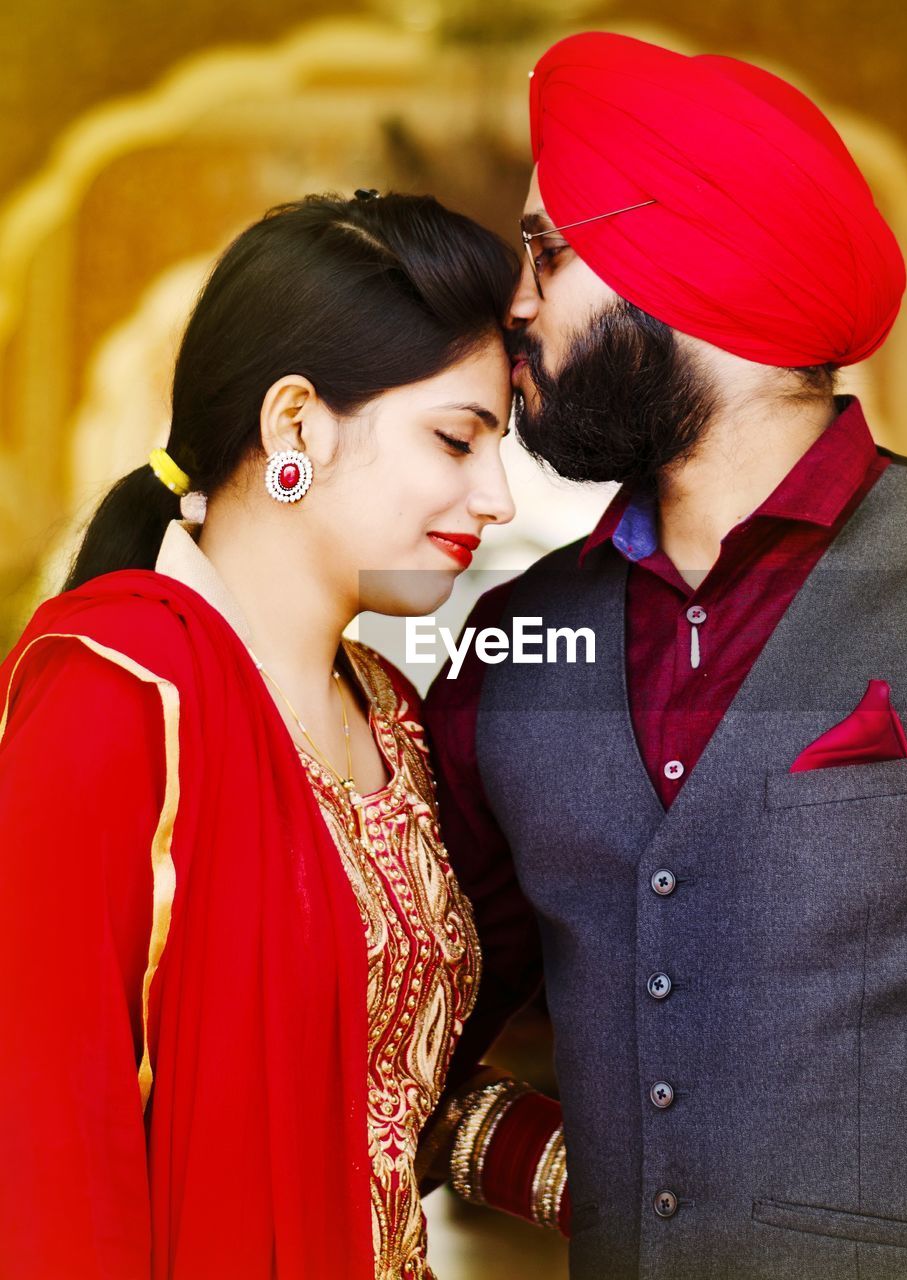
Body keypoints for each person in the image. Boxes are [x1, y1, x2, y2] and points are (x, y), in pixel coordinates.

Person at [424, 31, 907, 1280]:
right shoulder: (516, 637)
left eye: (548, 250)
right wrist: (539, 1157)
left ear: (686, 264)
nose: (517, 302)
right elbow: (393, 1005)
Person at [0, 190, 565, 1279]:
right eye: (457, 438)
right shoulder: (114, 692)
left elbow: (372, 1087)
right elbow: (45, 1153)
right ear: (295, 421)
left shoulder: (388, 714)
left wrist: (629, 1176)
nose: (493, 495)